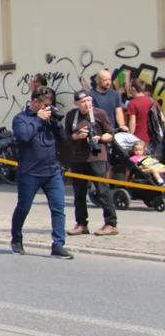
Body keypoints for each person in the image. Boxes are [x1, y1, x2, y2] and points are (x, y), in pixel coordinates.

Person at [11, 86, 72, 259]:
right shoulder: (21, 119)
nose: (47, 108)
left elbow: (63, 139)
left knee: (58, 207)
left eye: (50, 105)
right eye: (45, 104)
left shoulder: (48, 119)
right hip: (30, 172)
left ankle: (58, 244)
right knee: (24, 207)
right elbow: (23, 137)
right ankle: (16, 238)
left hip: (52, 172)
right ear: (35, 102)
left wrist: (55, 122)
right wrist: (38, 120)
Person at [64, 90, 117, 236]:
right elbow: (66, 137)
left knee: (102, 190)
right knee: (79, 193)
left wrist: (99, 138)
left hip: (97, 157)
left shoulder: (100, 114)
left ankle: (111, 223)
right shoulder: (71, 116)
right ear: (76, 103)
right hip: (78, 158)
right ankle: (81, 224)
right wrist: (77, 136)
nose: (87, 104)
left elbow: (110, 134)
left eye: (88, 100)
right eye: (83, 102)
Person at [125, 78, 157, 145]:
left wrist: (129, 137)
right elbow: (162, 119)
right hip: (152, 139)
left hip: (138, 139)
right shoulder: (153, 101)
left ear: (133, 89)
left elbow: (132, 123)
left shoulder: (132, 103)